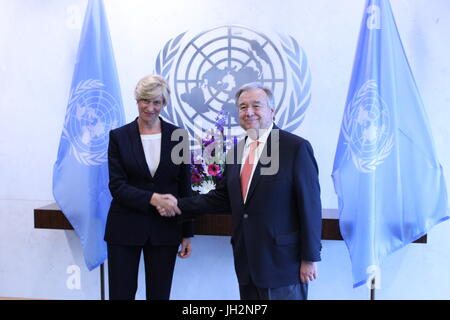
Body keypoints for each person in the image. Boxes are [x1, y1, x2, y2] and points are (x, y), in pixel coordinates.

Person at [158, 82, 322, 300]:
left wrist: (309, 258)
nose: (249, 112)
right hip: (246, 262)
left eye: (256, 105)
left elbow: (310, 206)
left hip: (284, 264)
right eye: (243, 107)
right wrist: (177, 205)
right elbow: (223, 198)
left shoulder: (295, 148)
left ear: (271, 111)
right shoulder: (235, 152)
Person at [104, 75, 193, 300]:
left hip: (165, 229)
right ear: (137, 99)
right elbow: (117, 186)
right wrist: (152, 198)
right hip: (124, 227)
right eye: (145, 100)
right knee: (121, 294)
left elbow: (184, 186)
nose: (150, 108)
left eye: (157, 102)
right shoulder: (119, 137)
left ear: (164, 104)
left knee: (159, 295)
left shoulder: (178, 137)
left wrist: (187, 233)